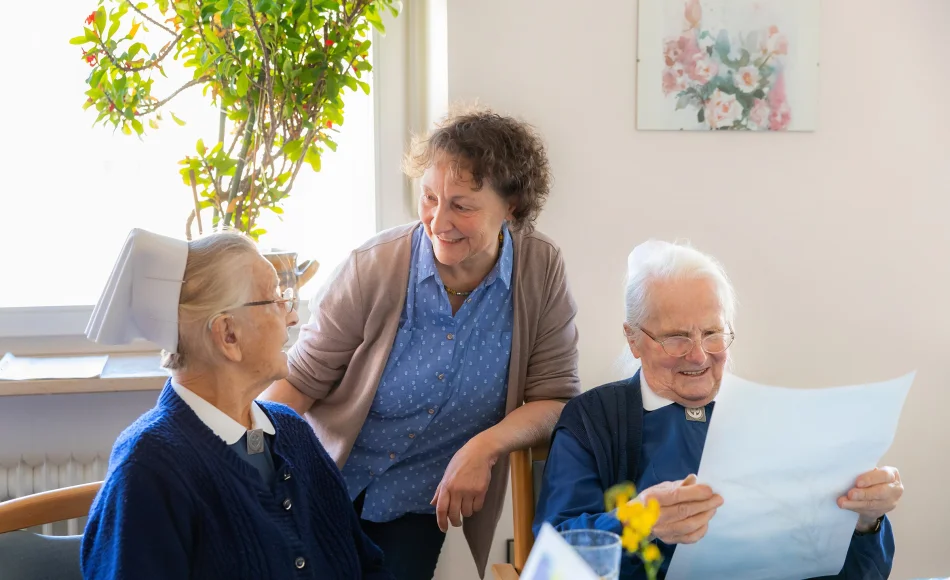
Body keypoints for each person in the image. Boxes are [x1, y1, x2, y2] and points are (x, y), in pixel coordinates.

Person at [261, 107, 581, 579]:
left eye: (462, 205)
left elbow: (554, 398)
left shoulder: (540, 270)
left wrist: (484, 447)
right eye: (429, 197)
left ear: (510, 206)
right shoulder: (375, 266)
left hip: (414, 504)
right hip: (321, 484)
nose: (438, 220)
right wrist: (233, 459)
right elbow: (299, 383)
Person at [533, 240, 902, 579]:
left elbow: (858, 574)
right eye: (676, 337)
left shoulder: (773, 420)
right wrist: (637, 520)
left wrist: (865, 519)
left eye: (712, 333)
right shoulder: (594, 420)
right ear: (634, 340)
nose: (698, 355)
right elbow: (555, 557)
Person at [80, 228, 393, 580]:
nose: (291, 316)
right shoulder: (148, 468)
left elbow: (368, 568)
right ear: (228, 334)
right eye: (274, 299)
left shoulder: (291, 433)